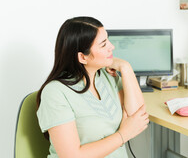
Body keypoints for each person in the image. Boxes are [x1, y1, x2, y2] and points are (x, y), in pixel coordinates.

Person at [36, 16, 149, 158]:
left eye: (107, 40)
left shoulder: (107, 77)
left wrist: (125, 67)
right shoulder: (55, 93)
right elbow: (72, 156)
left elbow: (138, 117)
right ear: (82, 57)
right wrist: (123, 135)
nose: (111, 47)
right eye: (103, 44)